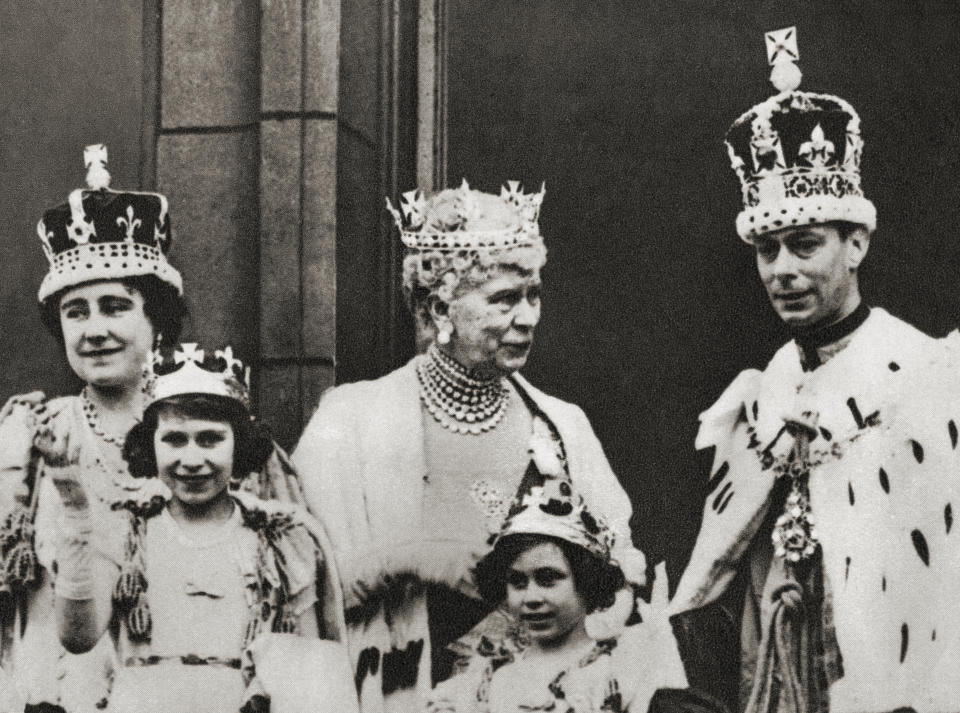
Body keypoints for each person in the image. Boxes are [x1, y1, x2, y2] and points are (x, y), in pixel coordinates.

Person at [669, 26, 960, 713]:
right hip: (777, 668)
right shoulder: (766, 387)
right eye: (768, 250)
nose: (783, 271)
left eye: (804, 245)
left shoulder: (923, 375)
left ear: (856, 242)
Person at [292, 181, 649, 713]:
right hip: (395, 693)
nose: (527, 317)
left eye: (533, 296)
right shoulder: (351, 417)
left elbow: (620, 575)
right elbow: (298, 591)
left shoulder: (561, 425)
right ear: (440, 309)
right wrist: (414, 558)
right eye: (504, 299)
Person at [0, 146, 302, 711]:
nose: (94, 330)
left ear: (156, 319)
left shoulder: (221, 438)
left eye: (115, 306)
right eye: (76, 311)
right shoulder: (27, 438)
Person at [38, 342, 353, 713]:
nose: (192, 460)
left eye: (210, 439)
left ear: (240, 443)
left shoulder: (283, 538)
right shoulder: (125, 531)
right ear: (149, 445)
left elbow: (310, 673)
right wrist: (73, 501)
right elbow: (78, 637)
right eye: (174, 439)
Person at [426, 460, 686, 713]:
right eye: (517, 582)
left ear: (587, 582)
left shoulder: (623, 668)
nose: (531, 597)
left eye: (548, 579)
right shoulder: (485, 680)